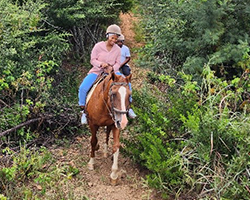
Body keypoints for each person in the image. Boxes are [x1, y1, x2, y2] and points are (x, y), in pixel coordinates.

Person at [78, 24, 136, 124]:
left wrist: (112, 68)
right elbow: (92, 60)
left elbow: (118, 62)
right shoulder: (98, 46)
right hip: (97, 71)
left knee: (127, 83)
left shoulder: (117, 49)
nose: (114, 40)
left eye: (116, 39)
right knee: (83, 87)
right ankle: (83, 111)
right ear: (107, 36)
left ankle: (128, 107)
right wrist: (101, 64)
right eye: (112, 38)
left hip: (113, 72)